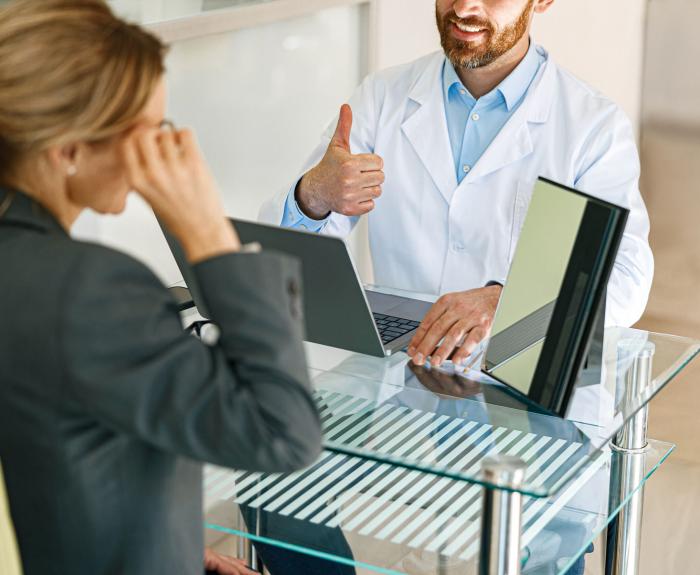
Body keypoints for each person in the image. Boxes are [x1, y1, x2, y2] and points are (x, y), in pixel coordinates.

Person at [0, 1, 322, 574]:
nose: (162, 151)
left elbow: (56, 466)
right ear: (69, 150)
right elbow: (283, 431)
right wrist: (208, 233)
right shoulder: (88, 289)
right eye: (148, 133)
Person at [261, 0, 654, 369]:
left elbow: (627, 276)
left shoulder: (593, 126)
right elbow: (279, 256)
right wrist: (313, 193)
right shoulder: (381, 98)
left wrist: (508, 302)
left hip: (520, 379)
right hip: (400, 377)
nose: (464, 7)